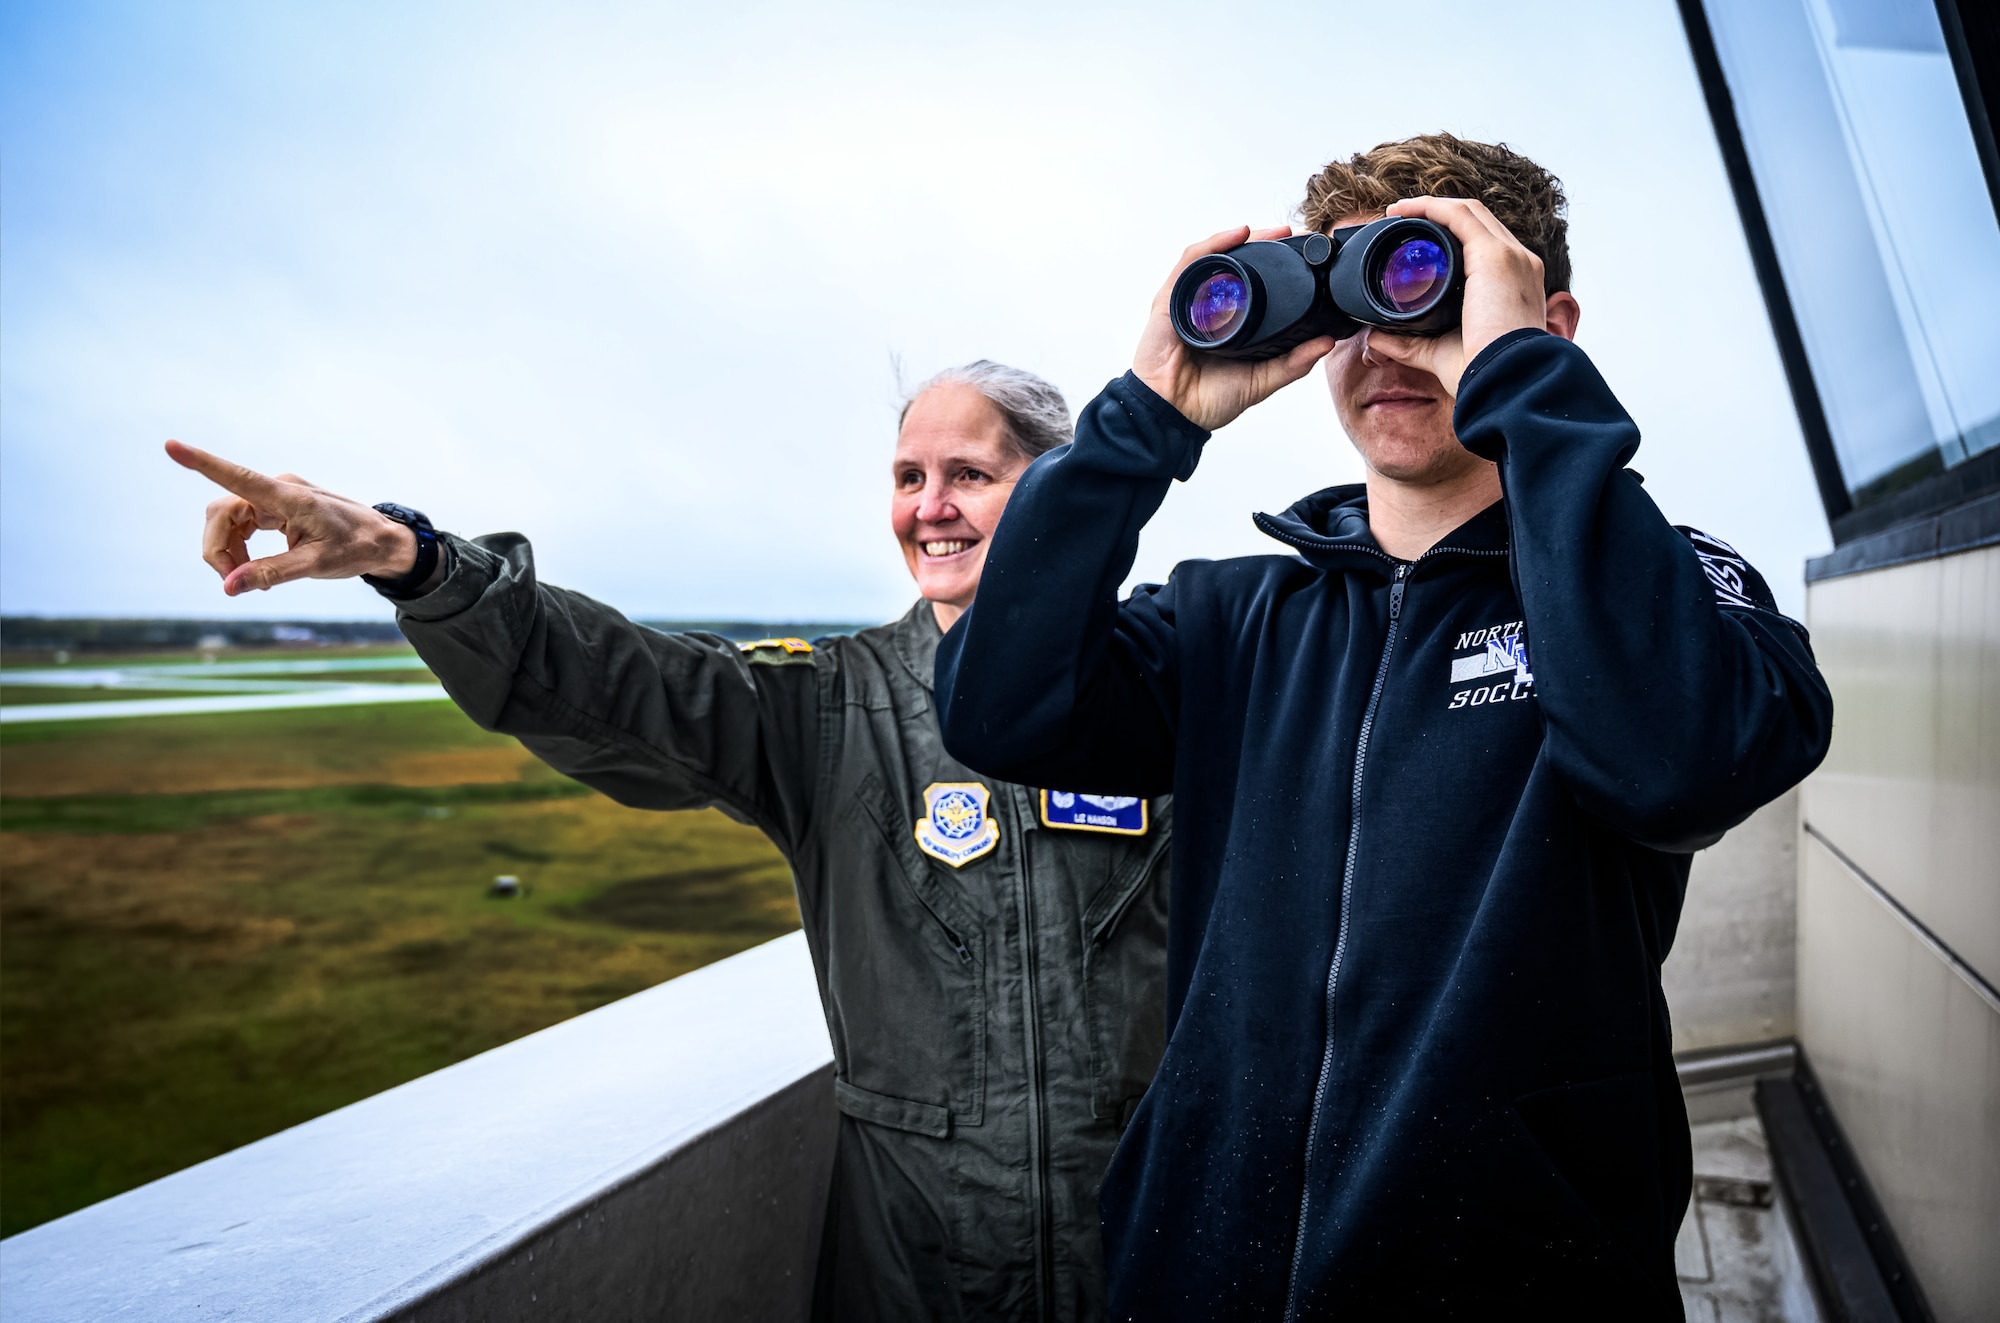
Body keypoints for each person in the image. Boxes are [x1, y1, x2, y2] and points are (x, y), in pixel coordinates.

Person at [933, 135, 1834, 1317]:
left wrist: (1522, 388)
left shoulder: (1673, 592)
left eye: (1424, 289)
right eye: (1346, 302)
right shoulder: (1233, 616)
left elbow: (1672, 766)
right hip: (1193, 1280)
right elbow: (997, 711)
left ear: (1542, 324)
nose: (1383, 345)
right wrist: (1145, 419)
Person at [166, 360, 1172, 1323]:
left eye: (969, 476)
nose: (927, 507)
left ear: (1054, 493)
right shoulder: (829, 708)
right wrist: (414, 559)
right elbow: (617, 684)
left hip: (1155, 1256)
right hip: (915, 1274)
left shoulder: (1161, 690)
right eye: (908, 477)